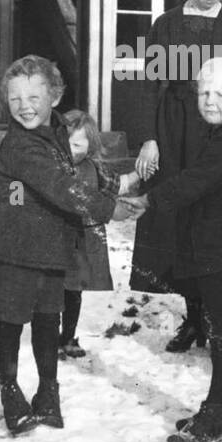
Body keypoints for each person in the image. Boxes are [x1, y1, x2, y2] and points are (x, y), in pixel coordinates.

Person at [123, 57, 222, 442]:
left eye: (220, 93)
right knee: (218, 327)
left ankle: (214, 414)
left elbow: (198, 180)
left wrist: (151, 200)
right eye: (204, 91)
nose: (209, 100)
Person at [0, 56, 140, 435]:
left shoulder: (56, 130)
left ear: (54, 97)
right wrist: (110, 208)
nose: (24, 105)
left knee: (46, 322)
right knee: (9, 321)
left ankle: (48, 396)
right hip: (15, 250)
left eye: (34, 96)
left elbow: (77, 171)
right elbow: (61, 186)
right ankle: (11, 393)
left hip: (51, 247)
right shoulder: (21, 145)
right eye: (15, 97)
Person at [130, 0, 222, 354]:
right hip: (174, 127)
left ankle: (212, 316)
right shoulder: (166, 24)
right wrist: (150, 138)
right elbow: (151, 83)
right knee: (177, 216)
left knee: (211, 216)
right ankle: (192, 316)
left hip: (216, 128)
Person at [58, 109, 141, 359]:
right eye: (64, 142)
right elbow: (18, 187)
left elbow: (120, 185)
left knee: (73, 289)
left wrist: (142, 171)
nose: (69, 149)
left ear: (90, 144)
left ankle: (68, 336)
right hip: (52, 236)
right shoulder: (47, 164)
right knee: (51, 289)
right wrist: (15, 204)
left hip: (81, 240)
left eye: (76, 144)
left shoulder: (94, 168)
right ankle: (47, 334)